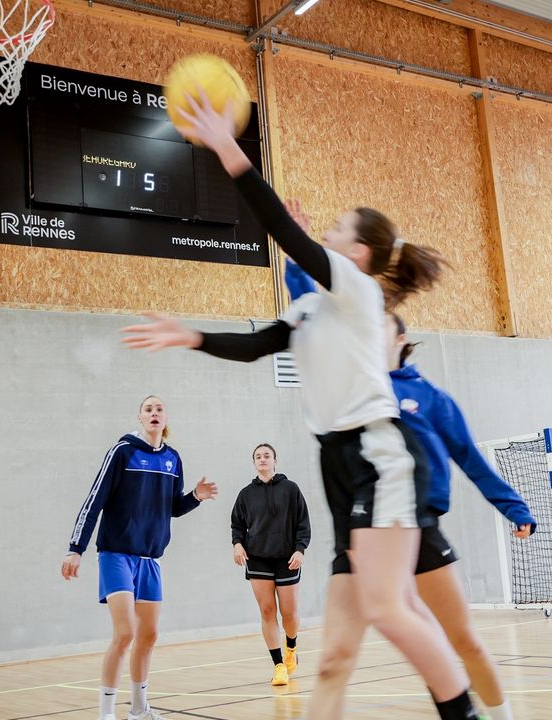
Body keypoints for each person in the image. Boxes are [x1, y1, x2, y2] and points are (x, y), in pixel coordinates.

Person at [120, 91, 480, 720]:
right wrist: (190, 336)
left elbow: (285, 232)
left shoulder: (357, 289)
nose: (326, 231)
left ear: (357, 253)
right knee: (334, 655)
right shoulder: (314, 306)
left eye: (337, 227)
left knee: (390, 609)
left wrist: (228, 148)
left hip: (377, 456)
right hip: (339, 466)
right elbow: (260, 344)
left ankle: (464, 713)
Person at [286, 247, 536, 720]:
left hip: (415, 526)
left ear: (401, 338)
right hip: (360, 528)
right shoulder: (352, 387)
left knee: (462, 641)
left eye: (379, 325)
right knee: (334, 661)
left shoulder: (429, 398)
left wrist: (514, 508)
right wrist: (294, 254)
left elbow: (470, 459)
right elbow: (308, 310)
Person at [60, 395, 219, 720]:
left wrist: (195, 497)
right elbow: (94, 500)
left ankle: (138, 709)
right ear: (140, 417)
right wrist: (76, 548)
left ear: (165, 418)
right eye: (148, 409)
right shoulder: (123, 451)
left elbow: (172, 507)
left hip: (150, 559)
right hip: (116, 554)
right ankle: (106, 714)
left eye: (159, 409)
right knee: (125, 633)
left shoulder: (173, 458)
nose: (154, 413)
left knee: (148, 635)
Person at [230, 442, 311, 686]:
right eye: (258, 456)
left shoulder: (290, 489)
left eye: (267, 455)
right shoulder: (246, 494)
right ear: (254, 462)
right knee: (267, 611)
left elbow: (303, 523)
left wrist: (300, 549)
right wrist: (237, 544)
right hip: (257, 558)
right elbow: (237, 524)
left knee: (289, 613)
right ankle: (278, 665)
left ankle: (291, 648)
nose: (262, 459)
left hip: (287, 558)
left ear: (275, 461)